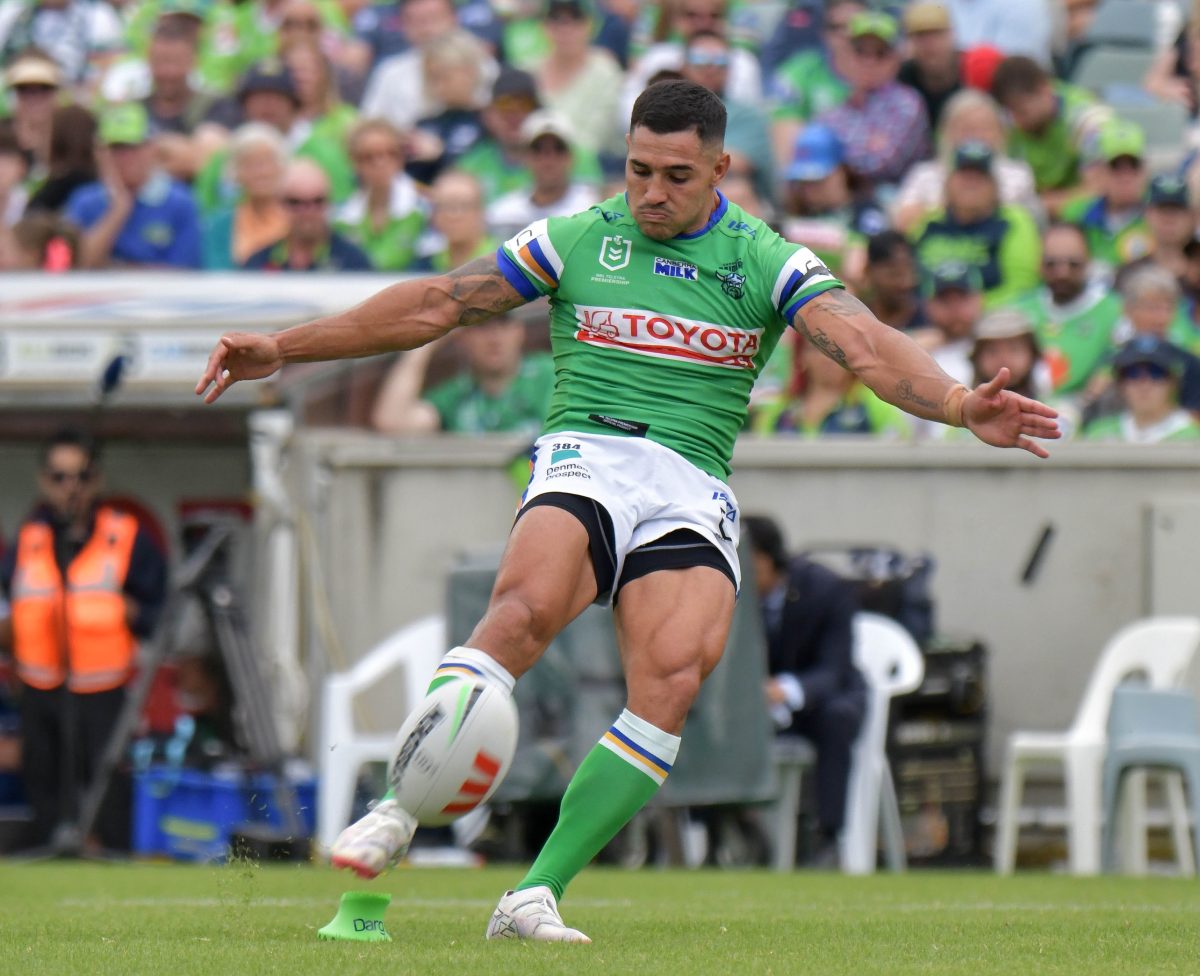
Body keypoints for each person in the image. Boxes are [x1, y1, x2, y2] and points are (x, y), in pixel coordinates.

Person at [196, 78, 1059, 943]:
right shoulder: (577, 237)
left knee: (673, 682)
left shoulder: (764, 258)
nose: (651, 191)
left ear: (721, 167)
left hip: (690, 484)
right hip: (588, 455)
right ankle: (396, 808)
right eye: (639, 168)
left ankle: (534, 894)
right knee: (523, 612)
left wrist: (954, 404)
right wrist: (284, 348)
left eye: (676, 175)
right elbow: (435, 304)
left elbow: (863, 342)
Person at [0, 430, 167, 851]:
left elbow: (160, 612)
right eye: (59, 477)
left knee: (107, 796)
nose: (69, 487)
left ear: (96, 480)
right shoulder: (29, 538)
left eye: (80, 476)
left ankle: (107, 859)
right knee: (44, 791)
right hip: (40, 689)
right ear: (43, 481)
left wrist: (132, 612)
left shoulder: (124, 534)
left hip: (103, 690)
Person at [742, 513, 867, 867]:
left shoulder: (826, 588)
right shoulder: (730, 595)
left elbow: (835, 668)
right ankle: (728, 830)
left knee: (837, 717)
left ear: (765, 559)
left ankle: (829, 839)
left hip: (822, 701)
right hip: (755, 711)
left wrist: (785, 690)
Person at [64, 102, 203, 269]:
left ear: (152, 148)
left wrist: (114, 267)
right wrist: (118, 210)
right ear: (101, 154)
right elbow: (73, 266)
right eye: (116, 149)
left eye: (133, 147)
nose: (125, 157)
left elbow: (182, 272)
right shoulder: (84, 201)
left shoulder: (181, 202)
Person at [371, 311, 555, 435]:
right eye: (481, 325)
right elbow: (392, 422)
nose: (494, 337)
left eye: (503, 323)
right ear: (461, 337)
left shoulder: (552, 374)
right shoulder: (457, 394)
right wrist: (424, 345)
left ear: (519, 331)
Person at [890, 88, 1039, 234]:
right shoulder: (924, 175)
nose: (975, 136)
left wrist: (931, 212)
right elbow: (902, 221)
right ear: (945, 133)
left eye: (984, 128)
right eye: (966, 128)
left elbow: (1025, 223)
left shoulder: (1017, 175)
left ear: (1000, 133)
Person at [910, 141, 1041, 307]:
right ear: (947, 183)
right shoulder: (929, 222)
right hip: (927, 321)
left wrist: (969, 311)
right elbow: (908, 277)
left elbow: (1022, 287)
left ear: (995, 186)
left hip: (995, 322)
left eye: (980, 176)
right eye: (964, 174)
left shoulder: (1014, 220)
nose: (971, 182)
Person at [813, 11, 930, 192]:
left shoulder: (907, 104)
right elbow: (815, 161)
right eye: (860, 51)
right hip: (839, 199)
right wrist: (867, 145)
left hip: (891, 200)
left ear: (895, 59)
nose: (869, 61)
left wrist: (840, 159)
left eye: (880, 53)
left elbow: (884, 165)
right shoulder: (835, 110)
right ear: (848, 56)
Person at [988, 54, 1111, 216]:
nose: (1017, 121)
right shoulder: (1005, 123)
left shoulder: (1087, 119)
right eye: (1011, 113)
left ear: (1045, 90)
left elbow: (1100, 191)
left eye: (1022, 111)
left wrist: (1042, 205)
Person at [1011, 221, 1121, 399]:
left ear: (1089, 262)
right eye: (1051, 264)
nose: (1062, 272)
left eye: (1073, 264)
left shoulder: (1115, 310)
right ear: (1038, 263)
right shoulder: (1019, 311)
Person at [485, 111, 600, 242]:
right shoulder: (503, 214)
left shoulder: (593, 208)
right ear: (524, 157)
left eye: (558, 149)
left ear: (572, 157)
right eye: (538, 149)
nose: (548, 160)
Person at [241, 158, 372, 271]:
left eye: (317, 201)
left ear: (329, 203)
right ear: (279, 204)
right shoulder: (260, 263)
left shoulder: (353, 262)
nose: (308, 212)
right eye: (296, 202)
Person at [1060, 120, 1153, 273]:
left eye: (1133, 165)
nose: (1126, 176)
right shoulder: (1076, 214)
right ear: (1099, 170)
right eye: (1115, 166)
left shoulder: (1159, 216)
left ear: (1144, 170)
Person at [334, 118, 426, 272]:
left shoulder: (424, 208)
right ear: (353, 162)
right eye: (368, 157)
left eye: (390, 154)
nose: (380, 163)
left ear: (401, 157)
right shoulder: (340, 217)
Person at [201, 123, 290, 270]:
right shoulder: (219, 224)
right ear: (235, 172)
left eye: (268, 162)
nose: (261, 172)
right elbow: (215, 270)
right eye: (251, 164)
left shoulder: (297, 215)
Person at [1081, 336, 1200, 442]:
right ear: (1120, 383)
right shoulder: (1099, 434)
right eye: (1133, 374)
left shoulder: (1192, 437)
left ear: (1173, 382)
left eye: (1156, 373)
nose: (1144, 385)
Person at [897, 2, 962, 131]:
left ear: (951, 35)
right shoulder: (901, 77)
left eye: (936, 34)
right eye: (921, 36)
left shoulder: (970, 72)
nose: (930, 44)